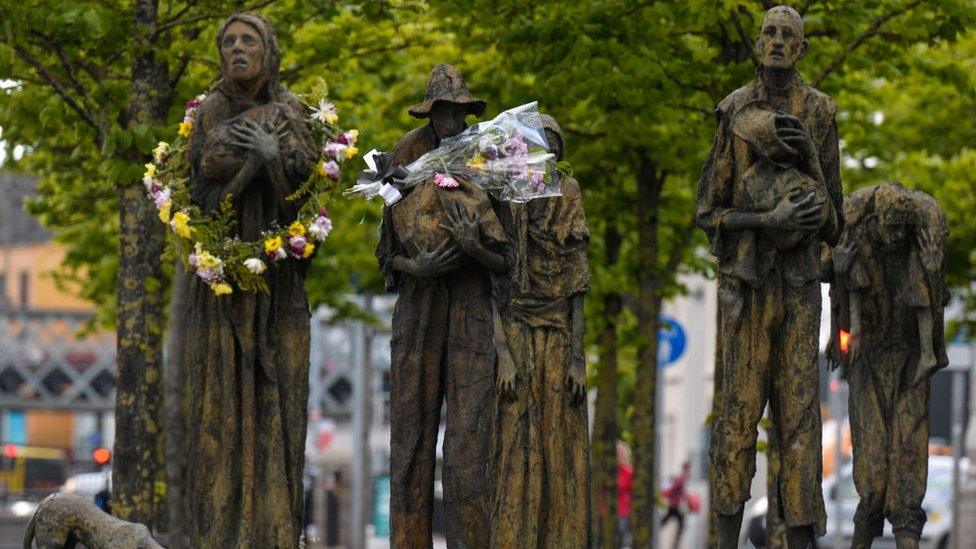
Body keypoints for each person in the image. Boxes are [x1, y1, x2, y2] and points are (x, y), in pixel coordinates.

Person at [696, 5, 842, 547]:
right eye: (769, 33)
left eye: (788, 35)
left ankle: (802, 537)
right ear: (759, 43)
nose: (776, 41)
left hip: (801, 289)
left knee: (801, 418)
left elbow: (836, 223)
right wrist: (765, 221)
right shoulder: (734, 110)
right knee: (736, 414)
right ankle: (725, 537)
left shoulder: (821, 113)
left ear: (801, 47)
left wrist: (809, 158)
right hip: (747, 287)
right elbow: (708, 211)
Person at [181, 13, 317, 547]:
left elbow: (300, 211)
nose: (238, 49)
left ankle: (276, 530)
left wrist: (275, 164)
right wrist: (250, 167)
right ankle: (219, 530)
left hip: (279, 283)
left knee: (278, 399)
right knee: (218, 409)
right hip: (221, 288)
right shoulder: (209, 113)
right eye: (229, 42)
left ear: (268, 51)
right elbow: (202, 205)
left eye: (249, 40)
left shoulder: (291, 112)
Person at [376, 64, 507, 549]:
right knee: (410, 437)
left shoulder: (487, 152)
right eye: (443, 110)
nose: (451, 119)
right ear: (430, 110)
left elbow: (507, 256)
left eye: (459, 110)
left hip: (473, 308)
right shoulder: (404, 153)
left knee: (469, 444)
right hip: (420, 308)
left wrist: (475, 248)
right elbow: (386, 254)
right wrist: (418, 269)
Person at [828, 183, 949, 549]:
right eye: (889, 228)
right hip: (870, 361)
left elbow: (931, 297)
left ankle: (907, 534)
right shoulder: (859, 239)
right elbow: (841, 287)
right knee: (871, 462)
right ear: (876, 220)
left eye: (901, 229)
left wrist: (933, 271)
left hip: (912, 361)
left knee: (909, 453)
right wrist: (840, 330)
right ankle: (866, 527)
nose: (895, 237)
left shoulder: (917, 242)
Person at [489, 114, 590, 548]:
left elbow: (578, 280)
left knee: (560, 448)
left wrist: (578, 358)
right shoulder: (505, 197)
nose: (542, 154)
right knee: (515, 446)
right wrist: (504, 355)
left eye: (550, 147)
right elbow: (491, 285)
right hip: (514, 331)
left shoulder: (568, 193)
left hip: (557, 334)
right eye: (534, 145)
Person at [660, 462, 691, 549]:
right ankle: (675, 546)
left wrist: (686, 500)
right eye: (688, 470)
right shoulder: (680, 479)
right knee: (681, 523)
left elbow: (682, 493)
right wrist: (663, 494)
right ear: (685, 470)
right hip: (674, 506)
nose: (690, 472)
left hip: (675, 506)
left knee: (666, 521)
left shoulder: (683, 479)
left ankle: (675, 545)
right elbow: (672, 489)